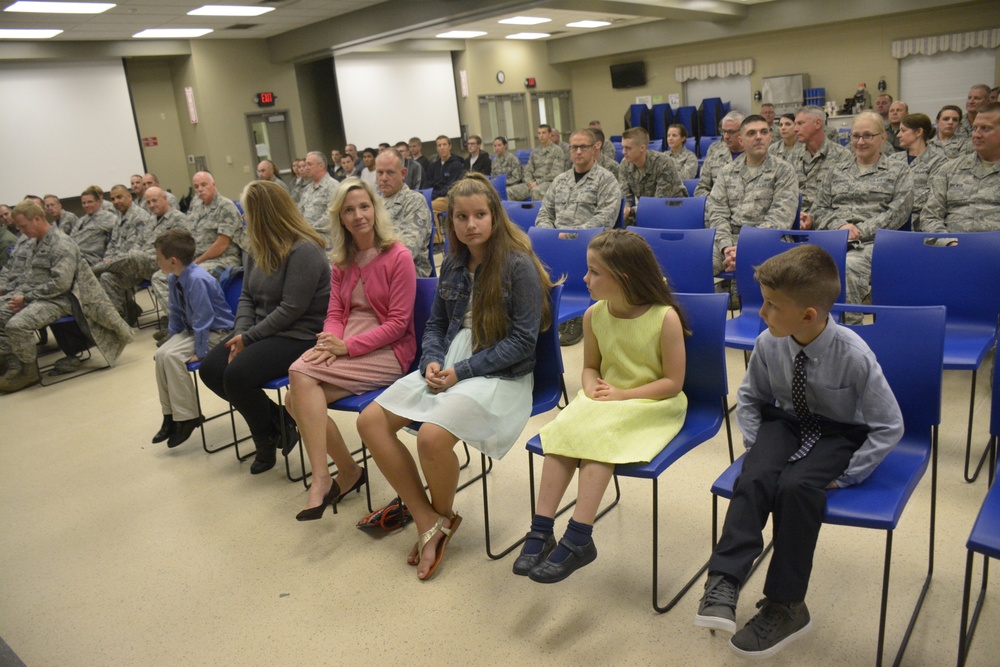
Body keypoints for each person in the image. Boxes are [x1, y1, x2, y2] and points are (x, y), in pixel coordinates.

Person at [695, 244, 902, 659]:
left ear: (808, 315)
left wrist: (849, 474)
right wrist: (757, 447)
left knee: (797, 487)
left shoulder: (855, 355)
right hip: (784, 422)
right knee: (754, 475)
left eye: (771, 305)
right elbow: (750, 399)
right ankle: (725, 578)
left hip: (838, 432)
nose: (761, 312)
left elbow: (889, 425)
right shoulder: (769, 343)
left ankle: (787, 604)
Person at [357, 173, 554, 580]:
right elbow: (434, 326)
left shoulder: (517, 264)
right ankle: (425, 514)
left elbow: (521, 342)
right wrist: (430, 360)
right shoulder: (454, 262)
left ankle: (438, 521)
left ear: (495, 216)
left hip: (499, 372)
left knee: (431, 437)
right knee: (369, 421)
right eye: (461, 217)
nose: (470, 224)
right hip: (449, 362)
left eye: (480, 214)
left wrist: (460, 371)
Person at [512, 229, 688, 583]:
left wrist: (623, 395)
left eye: (594, 272)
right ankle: (541, 528)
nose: (585, 278)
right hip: (608, 398)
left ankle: (579, 535)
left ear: (623, 278)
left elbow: (673, 383)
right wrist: (591, 387)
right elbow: (591, 367)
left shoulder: (664, 317)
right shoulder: (595, 315)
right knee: (563, 431)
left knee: (600, 438)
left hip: (652, 401)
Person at [285, 178, 417, 520]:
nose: (358, 215)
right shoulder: (343, 260)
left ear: (375, 209)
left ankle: (321, 478)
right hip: (347, 346)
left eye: (364, 206)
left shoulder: (398, 256)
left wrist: (346, 347)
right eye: (349, 210)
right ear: (340, 218)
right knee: (293, 399)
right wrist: (330, 342)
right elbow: (333, 313)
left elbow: (399, 325)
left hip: (389, 351)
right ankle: (349, 471)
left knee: (298, 374)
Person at [198, 181, 331, 475]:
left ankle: (264, 440)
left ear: (264, 214)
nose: (243, 218)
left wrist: (249, 337)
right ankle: (279, 423)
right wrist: (240, 334)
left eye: (247, 212)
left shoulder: (304, 250)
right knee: (211, 369)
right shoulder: (257, 246)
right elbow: (247, 297)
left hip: (300, 334)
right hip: (262, 330)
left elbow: (291, 309)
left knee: (237, 375)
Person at [803, 111, 912, 322]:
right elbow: (819, 208)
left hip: (875, 243)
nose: (860, 142)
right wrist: (840, 225)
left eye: (867, 136)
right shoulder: (836, 170)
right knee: (802, 264)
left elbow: (898, 212)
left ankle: (850, 328)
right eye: (855, 136)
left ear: (883, 137)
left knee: (849, 265)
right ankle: (813, 327)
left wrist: (860, 231)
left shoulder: (898, 171)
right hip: (835, 236)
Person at [151, 228, 234, 449]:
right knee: (161, 354)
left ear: (173, 260)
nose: (156, 262)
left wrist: (201, 351)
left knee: (173, 357)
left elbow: (203, 320)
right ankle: (170, 416)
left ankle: (188, 417)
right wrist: (172, 337)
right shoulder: (173, 278)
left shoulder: (197, 279)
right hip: (193, 331)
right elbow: (176, 313)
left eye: (158, 258)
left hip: (217, 333)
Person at [0, 201, 79, 391]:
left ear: (37, 219)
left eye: (23, 226)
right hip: (35, 296)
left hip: (59, 300)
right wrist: (19, 295)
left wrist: (26, 298)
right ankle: (14, 366)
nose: (21, 231)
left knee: (16, 325)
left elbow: (61, 284)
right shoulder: (35, 242)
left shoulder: (61, 243)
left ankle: (29, 371)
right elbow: (27, 276)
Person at [707, 115, 799, 274]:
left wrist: (745, 247)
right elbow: (717, 212)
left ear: (770, 137)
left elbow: (781, 217)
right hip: (729, 242)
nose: (758, 137)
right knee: (695, 265)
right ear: (741, 141)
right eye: (751, 133)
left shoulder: (784, 170)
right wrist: (726, 247)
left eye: (764, 132)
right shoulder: (727, 172)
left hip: (769, 241)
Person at [921, 101, 1000, 233]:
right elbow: (929, 216)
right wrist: (947, 242)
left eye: (986, 128)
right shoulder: (949, 170)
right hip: (952, 248)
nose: (977, 135)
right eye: (975, 128)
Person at [97, 184, 155, 324]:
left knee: (98, 272)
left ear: (129, 197)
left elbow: (131, 249)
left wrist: (109, 263)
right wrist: (107, 259)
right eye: (113, 199)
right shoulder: (119, 218)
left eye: (119, 197)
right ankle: (121, 320)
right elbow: (112, 244)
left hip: (137, 266)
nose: (116, 201)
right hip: (120, 265)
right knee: (106, 277)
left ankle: (122, 318)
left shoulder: (139, 217)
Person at [375, 149, 433, 277]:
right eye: (380, 172)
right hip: (376, 270)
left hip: (408, 273)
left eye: (390, 172)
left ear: (403, 173)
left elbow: (407, 250)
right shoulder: (373, 203)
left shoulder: (414, 201)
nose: (384, 178)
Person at [788, 106, 852, 217]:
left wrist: (813, 218)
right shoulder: (793, 157)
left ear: (817, 124)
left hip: (827, 222)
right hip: (797, 219)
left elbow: (842, 200)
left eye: (800, 123)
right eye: (795, 124)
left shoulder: (842, 156)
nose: (795, 129)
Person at [618, 126, 686, 225]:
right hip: (646, 211)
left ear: (642, 147)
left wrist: (631, 211)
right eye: (623, 147)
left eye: (628, 148)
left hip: (673, 210)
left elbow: (660, 202)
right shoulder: (625, 164)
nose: (623, 152)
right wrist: (624, 210)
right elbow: (625, 197)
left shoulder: (663, 162)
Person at [893, 113, 947, 230]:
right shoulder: (893, 160)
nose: (898, 135)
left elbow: (932, 195)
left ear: (918, 132)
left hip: (920, 221)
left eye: (903, 130)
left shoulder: (938, 161)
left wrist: (896, 202)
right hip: (891, 218)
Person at [507, 124, 564, 202]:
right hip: (532, 184)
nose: (541, 136)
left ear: (550, 134)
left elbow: (556, 173)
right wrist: (529, 182)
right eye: (539, 133)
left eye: (544, 133)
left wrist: (537, 183)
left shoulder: (557, 150)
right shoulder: (535, 152)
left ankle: (538, 214)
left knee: (536, 191)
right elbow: (527, 170)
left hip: (549, 184)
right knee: (509, 191)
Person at [695, 110, 745, 197]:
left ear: (744, 131)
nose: (726, 136)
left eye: (731, 132)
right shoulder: (714, 157)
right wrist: (718, 203)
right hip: (717, 207)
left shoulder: (754, 157)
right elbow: (700, 190)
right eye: (723, 132)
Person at [70, 185, 117, 268]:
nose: (86, 205)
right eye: (84, 203)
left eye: (90, 202)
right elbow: (71, 239)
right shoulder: (81, 220)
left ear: (98, 202)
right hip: (76, 255)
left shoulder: (108, 217)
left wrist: (110, 256)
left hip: (92, 259)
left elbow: (118, 235)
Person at [298, 151, 340, 240]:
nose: (306, 168)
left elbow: (331, 216)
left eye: (309, 164)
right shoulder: (307, 189)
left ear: (321, 166)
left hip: (326, 239)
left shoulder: (333, 186)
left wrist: (308, 230)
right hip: (307, 237)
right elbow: (300, 211)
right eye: (305, 165)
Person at [426, 135, 465, 217]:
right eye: (439, 145)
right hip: (434, 197)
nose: (442, 148)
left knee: (429, 208)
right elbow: (428, 185)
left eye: (444, 145)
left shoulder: (456, 165)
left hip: (449, 198)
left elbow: (452, 186)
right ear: (436, 148)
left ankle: (436, 230)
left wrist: (435, 195)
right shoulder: (433, 166)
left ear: (450, 146)